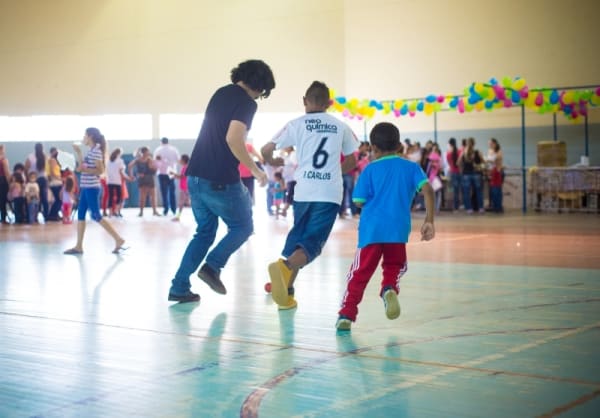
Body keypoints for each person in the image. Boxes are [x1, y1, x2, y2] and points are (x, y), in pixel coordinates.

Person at [167, 59, 275, 303]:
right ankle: (212, 266)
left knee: (204, 232)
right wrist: (256, 170)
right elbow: (233, 138)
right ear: (259, 85)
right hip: (219, 178)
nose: (260, 97)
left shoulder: (221, 93)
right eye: (263, 92)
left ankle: (179, 287)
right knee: (243, 227)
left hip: (195, 175)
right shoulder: (246, 103)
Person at [261, 80, 359, 310]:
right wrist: (334, 171)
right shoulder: (341, 125)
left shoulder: (295, 124)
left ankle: (286, 292)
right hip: (328, 193)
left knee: (301, 236)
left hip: (303, 189)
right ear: (330, 103)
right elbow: (353, 160)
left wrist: (272, 160)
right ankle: (284, 268)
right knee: (312, 242)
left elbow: (266, 150)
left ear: (304, 101)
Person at [336, 122, 435, 331]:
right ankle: (389, 287)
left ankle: (347, 314)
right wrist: (429, 221)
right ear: (399, 145)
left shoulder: (370, 169)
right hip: (397, 231)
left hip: (371, 231)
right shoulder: (411, 168)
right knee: (394, 266)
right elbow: (428, 190)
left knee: (359, 273)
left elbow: (358, 200)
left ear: (374, 148)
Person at [63, 127, 126, 255]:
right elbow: (81, 167)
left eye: (85, 135)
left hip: (92, 188)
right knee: (81, 215)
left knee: (96, 215)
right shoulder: (91, 151)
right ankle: (79, 246)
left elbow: (100, 170)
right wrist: (79, 153)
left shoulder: (96, 151)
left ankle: (118, 239)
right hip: (86, 187)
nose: (83, 138)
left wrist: (84, 170)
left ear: (90, 136)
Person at [128, 147, 160, 217]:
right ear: (145, 152)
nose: (148, 153)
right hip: (149, 178)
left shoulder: (138, 160)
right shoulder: (149, 160)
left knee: (142, 196)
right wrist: (156, 167)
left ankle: (141, 212)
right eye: (148, 152)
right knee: (153, 196)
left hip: (142, 179)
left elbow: (130, 166)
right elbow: (152, 168)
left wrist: (132, 175)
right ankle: (154, 211)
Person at [154, 137, 180, 216]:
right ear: (168, 142)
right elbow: (178, 160)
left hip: (161, 173)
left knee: (164, 192)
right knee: (172, 191)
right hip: (171, 172)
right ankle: (174, 209)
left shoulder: (158, 150)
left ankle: (166, 209)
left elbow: (155, 162)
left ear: (161, 142)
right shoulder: (173, 150)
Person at [24, 143, 49, 222]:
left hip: (33, 179)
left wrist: (28, 178)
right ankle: (46, 216)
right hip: (43, 179)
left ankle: (34, 217)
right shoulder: (45, 157)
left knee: (33, 199)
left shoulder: (30, 157)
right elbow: (47, 170)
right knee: (44, 199)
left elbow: (25, 169)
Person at [106, 147, 132, 217]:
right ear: (119, 154)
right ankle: (116, 211)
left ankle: (110, 212)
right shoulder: (120, 161)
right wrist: (128, 178)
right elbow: (121, 172)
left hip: (110, 181)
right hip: (117, 181)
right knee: (119, 197)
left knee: (111, 197)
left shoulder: (108, 161)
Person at [171, 154, 190, 221]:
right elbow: (182, 177)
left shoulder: (185, 167)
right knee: (186, 203)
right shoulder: (185, 167)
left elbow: (182, 176)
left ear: (183, 160)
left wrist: (173, 174)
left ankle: (178, 217)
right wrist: (175, 175)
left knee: (181, 203)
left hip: (184, 188)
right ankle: (178, 216)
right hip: (185, 188)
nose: (179, 161)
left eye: (180, 159)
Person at [47, 147, 63, 221]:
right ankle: (52, 215)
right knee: (59, 200)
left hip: (56, 182)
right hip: (55, 182)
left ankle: (54, 214)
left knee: (58, 199)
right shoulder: (52, 160)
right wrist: (60, 178)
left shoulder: (54, 160)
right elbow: (52, 172)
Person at [446, 137, 462, 211]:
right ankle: (462, 205)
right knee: (461, 190)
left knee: (455, 190)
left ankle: (456, 207)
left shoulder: (448, 153)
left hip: (453, 172)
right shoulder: (459, 151)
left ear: (449, 144)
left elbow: (449, 163)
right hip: (460, 172)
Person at [0, 145, 10, 224]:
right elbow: (6, 173)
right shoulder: (3, 160)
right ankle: (3, 218)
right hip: (2, 180)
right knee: (3, 199)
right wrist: (9, 183)